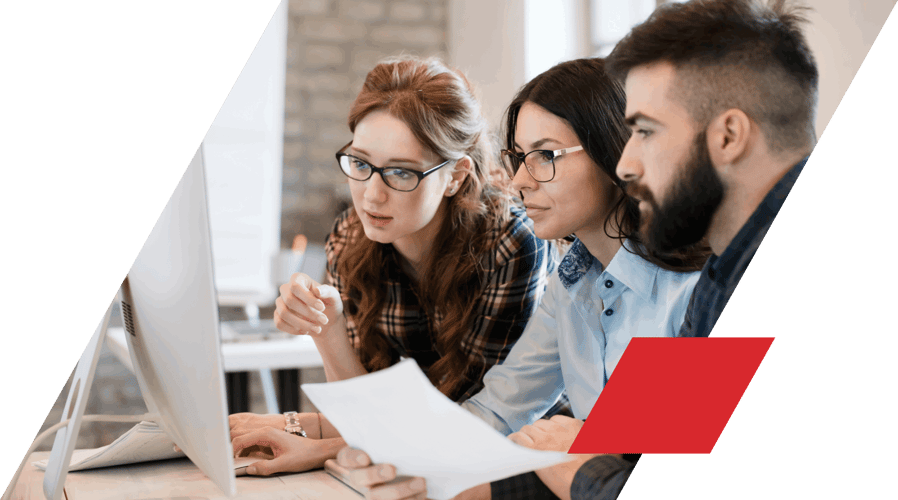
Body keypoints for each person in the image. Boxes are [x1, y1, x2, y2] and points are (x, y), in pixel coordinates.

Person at [331, 57, 711, 500]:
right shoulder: (571, 285)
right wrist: (370, 457)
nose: (518, 182)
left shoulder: (697, 291)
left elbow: (656, 468)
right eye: (518, 158)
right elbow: (495, 412)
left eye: (545, 156)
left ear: (617, 151)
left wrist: (587, 455)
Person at [228, 56, 558, 476]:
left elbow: (471, 420)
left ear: (456, 176)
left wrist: (313, 442)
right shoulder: (351, 238)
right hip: (411, 458)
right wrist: (328, 328)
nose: (371, 196)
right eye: (361, 164)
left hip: (519, 463)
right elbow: (370, 416)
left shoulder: (511, 242)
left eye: (401, 173)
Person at [607, 0, 818, 339]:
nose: (624, 166)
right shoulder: (727, 260)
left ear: (728, 137)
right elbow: (685, 393)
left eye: (645, 131)